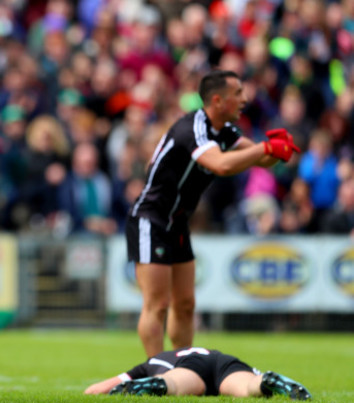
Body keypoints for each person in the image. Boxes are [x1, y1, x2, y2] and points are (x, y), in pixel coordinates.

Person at [125, 69, 300, 358]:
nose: (245, 99)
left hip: (177, 222)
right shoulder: (192, 128)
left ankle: (183, 367)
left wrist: (278, 151)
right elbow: (222, 165)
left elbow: (257, 157)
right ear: (217, 101)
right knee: (156, 304)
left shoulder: (225, 131)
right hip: (150, 219)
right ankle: (155, 370)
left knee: (185, 305)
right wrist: (265, 149)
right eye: (238, 94)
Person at [83, 346, 312, 401]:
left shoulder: (153, 360)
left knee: (173, 383)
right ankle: (267, 380)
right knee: (247, 388)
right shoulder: (171, 354)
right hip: (226, 361)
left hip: (191, 366)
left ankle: (155, 384)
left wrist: (94, 392)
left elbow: (97, 389)